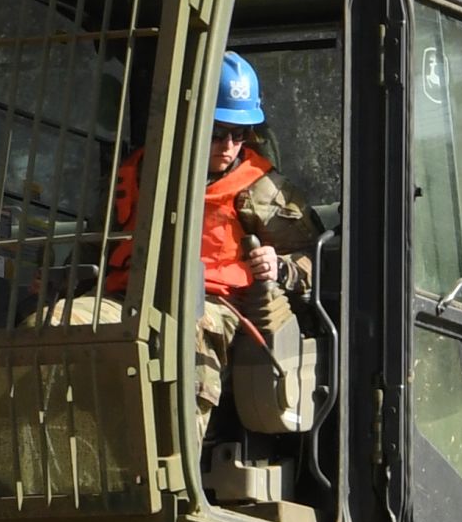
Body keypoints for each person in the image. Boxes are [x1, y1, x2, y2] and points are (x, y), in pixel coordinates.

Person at [105, 54, 319, 478]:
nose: (230, 146)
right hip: (124, 296)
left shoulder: (261, 189)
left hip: (212, 306)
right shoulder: (138, 172)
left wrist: (281, 267)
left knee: (185, 335)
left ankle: (170, 471)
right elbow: (104, 239)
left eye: (240, 134)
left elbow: (317, 257)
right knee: (63, 323)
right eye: (218, 133)